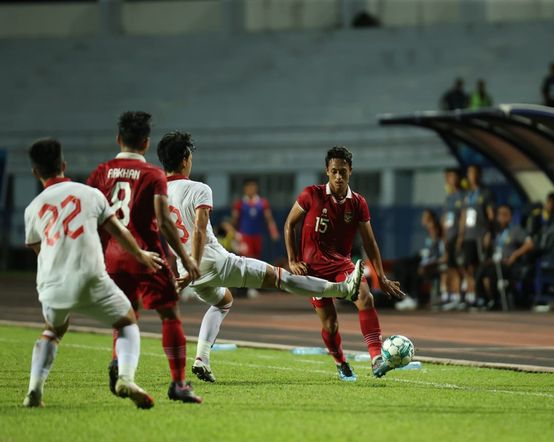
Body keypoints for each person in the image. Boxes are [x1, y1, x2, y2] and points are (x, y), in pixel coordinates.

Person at [156, 132, 364, 382]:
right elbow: (200, 228)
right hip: (211, 262)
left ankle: (202, 359)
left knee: (223, 301)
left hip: (188, 272)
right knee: (282, 278)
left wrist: (182, 270)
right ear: (185, 159)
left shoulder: (158, 194)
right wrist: (193, 266)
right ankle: (342, 289)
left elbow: (164, 234)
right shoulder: (199, 188)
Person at [23, 138, 163, 409]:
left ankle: (34, 391)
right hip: (90, 277)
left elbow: (38, 248)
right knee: (127, 322)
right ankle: (124, 377)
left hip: (51, 284)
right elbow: (118, 231)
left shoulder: (32, 209)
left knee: (53, 330)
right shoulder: (90, 194)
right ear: (63, 165)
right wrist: (141, 255)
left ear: (35, 173)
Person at [87, 111, 203, 403]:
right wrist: (186, 259)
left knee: (125, 315)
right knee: (169, 314)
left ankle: (119, 361)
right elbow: (164, 222)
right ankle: (178, 383)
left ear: (118, 139)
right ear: (146, 142)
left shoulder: (100, 172)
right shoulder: (152, 174)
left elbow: (90, 218)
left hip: (112, 256)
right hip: (147, 254)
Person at [284, 146, 405, 381]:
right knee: (330, 326)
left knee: (365, 297)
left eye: (343, 171)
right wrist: (293, 260)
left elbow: (370, 243)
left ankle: (376, 358)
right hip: (314, 271)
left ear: (350, 171)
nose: (339, 176)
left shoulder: (358, 203)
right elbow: (290, 224)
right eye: (334, 171)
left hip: (342, 266)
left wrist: (382, 276)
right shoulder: (311, 194)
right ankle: (340, 362)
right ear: (327, 172)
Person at [475, 204, 534, 309]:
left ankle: (495, 301)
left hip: (508, 263)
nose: (501, 217)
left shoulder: (516, 230)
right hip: (496, 262)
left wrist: (515, 255)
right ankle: (483, 299)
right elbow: (487, 246)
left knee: (493, 273)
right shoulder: (497, 232)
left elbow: (529, 244)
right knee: (481, 271)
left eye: (504, 214)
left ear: (510, 216)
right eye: (499, 214)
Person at [456, 165, 495, 306]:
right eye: (469, 173)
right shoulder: (466, 195)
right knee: (468, 266)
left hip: (480, 235)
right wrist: (461, 236)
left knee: (481, 267)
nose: (472, 175)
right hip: (468, 236)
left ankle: (484, 297)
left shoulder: (486, 193)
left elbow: (491, 216)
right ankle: (473, 295)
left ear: (479, 174)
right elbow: (463, 216)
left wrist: (489, 233)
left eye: (474, 173)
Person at [394, 209, 446, 311]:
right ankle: (407, 297)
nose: (422, 219)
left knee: (414, 269)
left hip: (432, 263)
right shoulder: (428, 232)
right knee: (400, 265)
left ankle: (414, 298)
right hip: (424, 259)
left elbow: (439, 253)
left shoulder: (437, 231)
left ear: (431, 219)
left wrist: (428, 262)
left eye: (425, 217)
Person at [231, 179, 280, 261]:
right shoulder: (239, 204)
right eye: (248, 187)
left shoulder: (263, 203)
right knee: (246, 259)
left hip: (257, 236)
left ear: (256, 188)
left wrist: (273, 231)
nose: (251, 189)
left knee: (256, 259)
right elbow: (234, 220)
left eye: (253, 187)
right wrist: (233, 234)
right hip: (244, 236)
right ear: (245, 189)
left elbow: (269, 219)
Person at [440, 168, 464, 310]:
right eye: (448, 177)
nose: (451, 180)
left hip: (457, 236)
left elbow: (463, 218)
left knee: (458, 267)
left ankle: (460, 296)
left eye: (453, 177)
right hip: (448, 237)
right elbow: (444, 219)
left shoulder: (462, 196)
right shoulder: (448, 198)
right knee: (450, 267)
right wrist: (444, 236)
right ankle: (452, 296)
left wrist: (461, 236)